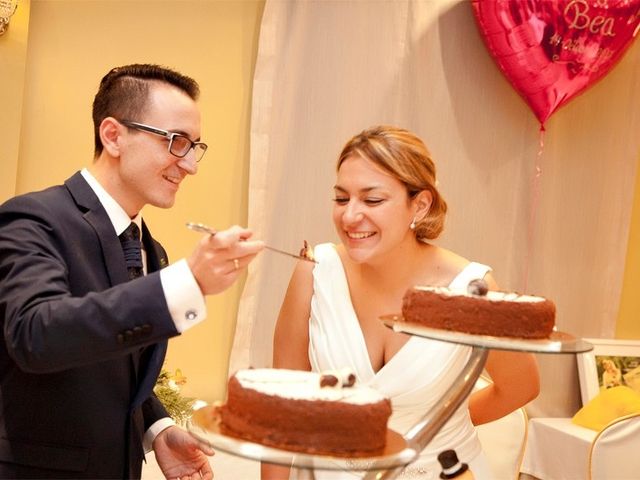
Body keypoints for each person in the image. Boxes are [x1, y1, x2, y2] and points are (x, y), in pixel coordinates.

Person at [0, 64, 264, 479]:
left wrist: (156, 428)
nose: (190, 165)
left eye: (196, 147)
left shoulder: (147, 248)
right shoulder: (32, 219)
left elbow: (112, 368)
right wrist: (187, 280)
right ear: (113, 135)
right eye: (177, 142)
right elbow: (36, 335)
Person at [262, 126, 539, 479]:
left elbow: (522, 386)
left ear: (419, 205)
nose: (349, 217)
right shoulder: (314, 272)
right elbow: (282, 409)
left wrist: (433, 429)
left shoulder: (472, 289)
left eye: (372, 200)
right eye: (342, 198)